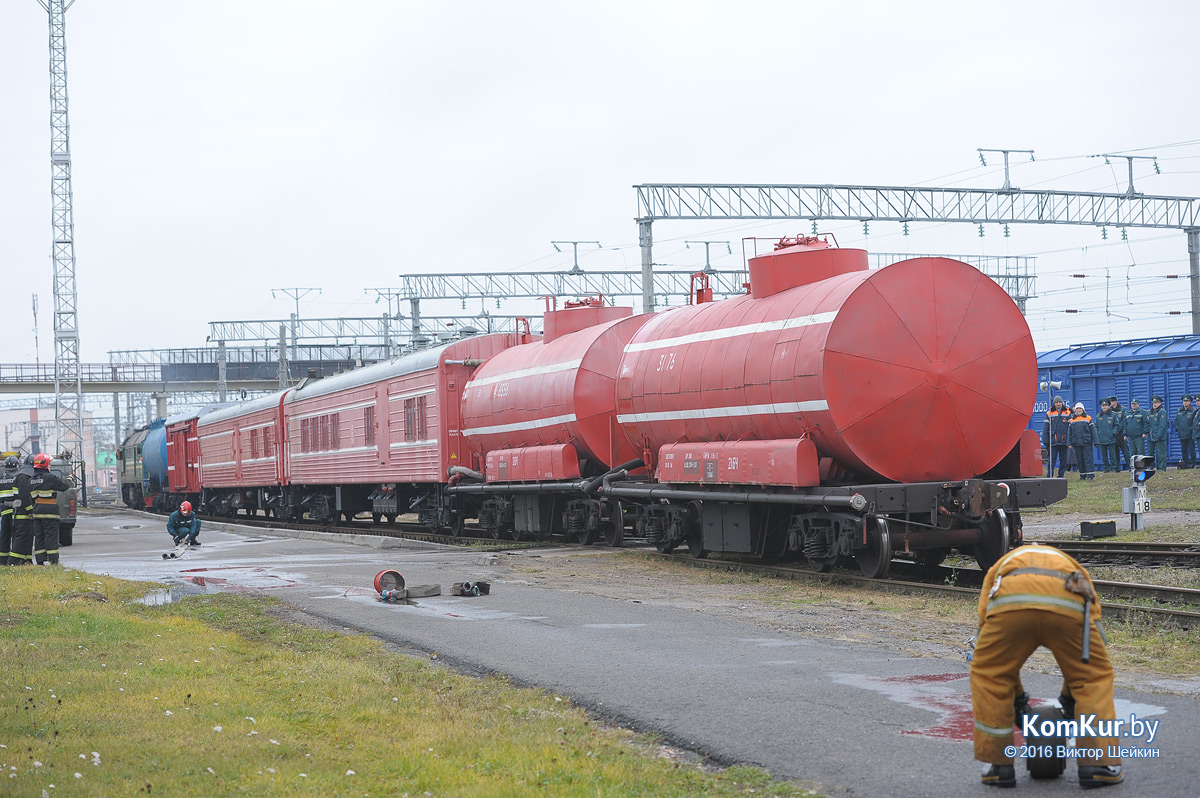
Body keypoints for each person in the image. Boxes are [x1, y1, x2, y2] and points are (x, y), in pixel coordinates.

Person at [970, 544, 1123, 789]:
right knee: (1092, 678)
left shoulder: (1001, 566)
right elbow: (1093, 621)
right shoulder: (1071, 565)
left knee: (991, 674)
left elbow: (984, 616)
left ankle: (998, 765)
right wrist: (1070, 697)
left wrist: (1017, 700)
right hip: (1068, 602)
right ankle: (1097, 765)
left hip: (1011, 603)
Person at [15, 453, 69, 565]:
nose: (50, 467)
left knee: (39, 536)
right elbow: (64, 486)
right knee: (51, 535)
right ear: (45, 465)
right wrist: (70, 479)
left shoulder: (32, 479)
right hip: (50, 512)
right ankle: (53, 561)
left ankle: (40, 561)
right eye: (49, 464)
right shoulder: (50, 478)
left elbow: (30, 497)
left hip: (37, 512)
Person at [1043, 396, 1071, 478]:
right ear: (1054, 403)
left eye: (1060, 402)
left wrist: (1070, 440)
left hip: (1064, 441)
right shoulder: (1049, 413)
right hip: (1053, 442)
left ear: (1062, 403)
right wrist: (1046, 441)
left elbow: (1071, 428)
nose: (1058, 404)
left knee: (1064, 461)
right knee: (1051, 461)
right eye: (1057, 402)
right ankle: (1050, 476)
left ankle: (1061, 476)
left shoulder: (1068, 413)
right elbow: (1045, 428)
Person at [0, 455, 20, 564]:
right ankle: (14, 560)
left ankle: (3, 560)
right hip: (15, 510)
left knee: (4, 536)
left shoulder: (2, 477)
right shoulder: (17, 476)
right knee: (16, 536)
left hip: (4, 510)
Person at [1068, 402, 1096, 480]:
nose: (1079, 410)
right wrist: (1069, 443)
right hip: (1076, 443)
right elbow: (1069, 433)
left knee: (1088, 459)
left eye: (1080, 408)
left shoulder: (1088, 418)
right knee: (1080, 460)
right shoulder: (1071, 420)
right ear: (1075, 410)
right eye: (1077, 408)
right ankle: (1082, 475)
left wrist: (1096, 441)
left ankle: (1090, 475)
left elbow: (1093, 430)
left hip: (1086, 442)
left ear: (1083, 409)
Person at [1094, 399, 1120, 473]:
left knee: (1112, 455)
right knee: (1104, 455)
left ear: (1108, 406)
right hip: (1102, 438)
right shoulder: (1098, 416)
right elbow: (1096, 426)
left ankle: (1114, 468)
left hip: (1111, 438)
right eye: (1103, 405)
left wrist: (1113, 433)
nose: (1104, 407)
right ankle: (1106, 468)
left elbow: (1116, 425)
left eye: (1105, 405)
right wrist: (1097, 434)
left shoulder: (1113, 415)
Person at [1147, 395, 1169, 470]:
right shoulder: (1150, 412)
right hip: (1151, 436)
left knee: (1161, 453)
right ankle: (1150, 466)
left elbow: (1162, 425)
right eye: (1153, 402)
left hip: (1160, 436)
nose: (1154, 404)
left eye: (1156, 402)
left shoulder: (1162, 412)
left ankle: (1161, 468)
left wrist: (1159, 435)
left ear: (1160, 403)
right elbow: (1148, 424)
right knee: (1150, 453)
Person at [1108, 396, 1130, 471]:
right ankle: (1116, 469)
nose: (1110, 404)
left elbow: (1125, 421)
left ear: (1115, 402)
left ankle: (1130, 467)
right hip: (1114, 435)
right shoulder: (1109, 411)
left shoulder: (1123, 410)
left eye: (1111, 402)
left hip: (1121, 434)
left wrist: (1118, 429)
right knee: (1115, 453)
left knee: (1126, 452)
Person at [1175, 395, 1196, 469]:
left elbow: (1195, 422)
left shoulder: (1193, 411)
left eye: (1187, 401)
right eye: (1184, 401)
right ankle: (1185, 463)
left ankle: (1193, 463)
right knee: (1183, 450)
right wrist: (1177, 429)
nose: (1185, 403)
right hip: (1182, 434)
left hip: (1190, 434)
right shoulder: (1179, 410)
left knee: (1192, 449)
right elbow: (1176, 421)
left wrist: (1191, 430)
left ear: (1190, 402)